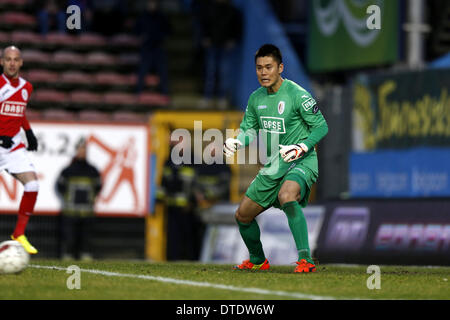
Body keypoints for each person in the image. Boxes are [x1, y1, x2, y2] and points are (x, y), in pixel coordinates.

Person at [223, 44, 328, 273]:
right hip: (273, 166)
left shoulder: (297, 94)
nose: (263, 72)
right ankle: (258, 260)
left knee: (286, 195)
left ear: (280, 67)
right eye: (259, 68)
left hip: (301, 161)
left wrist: (302, 147)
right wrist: (237, 141)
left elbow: (321, 127)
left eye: (268, 67)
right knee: (242, 215)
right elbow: (249, 130)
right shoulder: (255, 98)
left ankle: (305, 260)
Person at [0, 46, 39, 254]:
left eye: (16, 59)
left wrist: (28, 131)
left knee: (32, 185)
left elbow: (19, 110)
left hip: (12, 146)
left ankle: (19, 234)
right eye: (8, 59)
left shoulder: (27, 87)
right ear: (2, 62)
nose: (12, 63)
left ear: (21, 62)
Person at [56, 138, 102, 260]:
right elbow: (60, 186)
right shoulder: (68, 171)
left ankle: (85, 255)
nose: (82, 152)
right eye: (80, 149)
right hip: (70, 212)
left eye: (84, 150)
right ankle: (67, 256)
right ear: (76, 151)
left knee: (86, 237)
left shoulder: (92, 170)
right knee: (69, 237)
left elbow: (98, 186)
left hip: (87, 212)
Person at [199, 0, 243, 108]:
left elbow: (237, 26)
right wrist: (205, 37)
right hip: (212, 45)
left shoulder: (232, 11)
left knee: (224, 74)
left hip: (225, 47)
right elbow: (204, 24)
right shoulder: (209, 9)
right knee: (210, 73)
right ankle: (207, 97)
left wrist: (233, 40)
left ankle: (222, 98)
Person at [135, 0, 171, 95]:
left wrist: (162, 36)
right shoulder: (143, 16)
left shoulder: (161, 16)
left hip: (158, 47)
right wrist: (141, 36)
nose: (152, 5)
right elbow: (136, 30)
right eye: (150, 3)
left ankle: (165, 94)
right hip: (146, 48)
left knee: (163, 72)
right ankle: (138, 93)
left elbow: (169, 30)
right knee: (142, 71)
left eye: (153, 3)